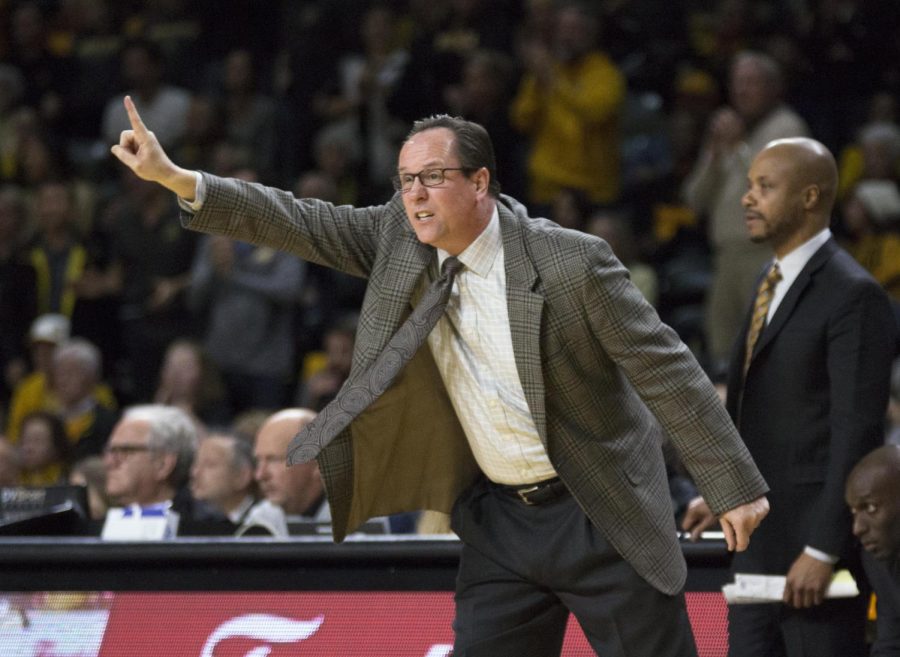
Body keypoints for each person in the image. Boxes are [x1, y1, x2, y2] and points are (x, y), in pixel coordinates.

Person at [112, 95, 768, 657]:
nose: (415, 195)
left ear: (480, 182)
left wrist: (731, 482)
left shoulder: (570, 262)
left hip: (598, 509)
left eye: (432, 177)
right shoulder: (401, 238)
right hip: (499, 520)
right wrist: (178, 179)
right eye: (405, 180)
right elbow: (301, 219)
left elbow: (667, 368)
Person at [683, 137, 898, 656]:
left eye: (765, 186)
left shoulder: (853, 294)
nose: (746, 198)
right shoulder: (768, 280)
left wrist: (824, 547)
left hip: (814, 557)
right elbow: (769, 415)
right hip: (759, 548)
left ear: (808, 197)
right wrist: (727, 491)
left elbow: (855, 433)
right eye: (750, 184)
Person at [682, 51, 809, 366]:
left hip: (767, 253)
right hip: (726, 256)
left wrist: (737, 146)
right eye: (737, 82)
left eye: (751, 82)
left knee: (768, 351)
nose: (741, 91)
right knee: (724, 353)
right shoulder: (729, 132)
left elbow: (772, 188)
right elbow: (694, 199)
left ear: (773, 87)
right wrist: (713, 154)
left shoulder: (787, 126)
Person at [102, 404, 229, 532]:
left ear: (163, 464)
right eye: (110, 451)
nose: (109, 462)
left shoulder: (206, 529)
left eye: (124, 451)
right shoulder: (94, 522)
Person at [845, 445, 900, 654]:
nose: (858, 528)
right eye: (854, 512)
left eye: (870, 508)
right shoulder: (877, 558)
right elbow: (892, 641)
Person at [190, 432, 288, 537]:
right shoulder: (204, 520)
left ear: (242, 476)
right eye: (196, 463)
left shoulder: (264, 517)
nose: (195, 473)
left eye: (209, 464)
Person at [253, 408, 328, 520]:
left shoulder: (357, 522)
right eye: (258, 461)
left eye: (274, 460)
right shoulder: (262, 518)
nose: (260, 475)